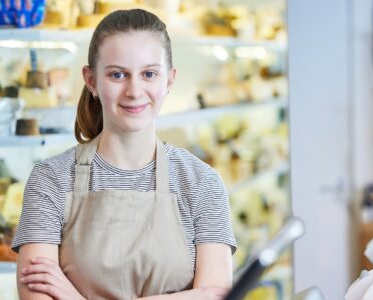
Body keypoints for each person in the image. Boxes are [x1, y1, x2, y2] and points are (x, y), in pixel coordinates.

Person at [12, 8, 237, 300]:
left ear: (169, 80)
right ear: (91, 81)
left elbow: (217, 296)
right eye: (118, 74)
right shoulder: (51, 179)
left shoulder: (202, 183)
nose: (134, 90)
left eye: (149, 74)